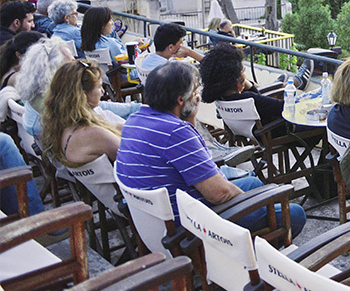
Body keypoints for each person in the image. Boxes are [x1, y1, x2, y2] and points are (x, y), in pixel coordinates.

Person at [115, 61, 305, 236]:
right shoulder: (175, 132)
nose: (197, 95)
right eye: (195, 90)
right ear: (182, 100)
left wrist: (190, 118)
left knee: (253, 183)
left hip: (154, 220)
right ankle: (253, 254)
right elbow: (219, 194)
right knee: (294, 214)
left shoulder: (134, 121)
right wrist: (253, 203)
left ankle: (261, 222)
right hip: (192, 227)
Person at [41, 59, 123, 167]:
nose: (103, 91)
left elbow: (115, 126)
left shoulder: (62, 127)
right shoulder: (94, 134)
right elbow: (135, 160)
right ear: (82, 96)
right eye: (99, 86)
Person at [199, 43, 284, 128]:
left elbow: (256, 93)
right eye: (243, 70)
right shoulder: (251, 99)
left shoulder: (220, 98)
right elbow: (284, 107)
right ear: (236, 77)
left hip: (248, 135)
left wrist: (240, 80)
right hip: (278, 133)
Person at [139, 23, 204, 80]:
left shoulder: (146, 59)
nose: (183, 46)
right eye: (181, 42)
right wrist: (189, 52)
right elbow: (210, 64)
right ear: (171, 47)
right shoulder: (171, 70)